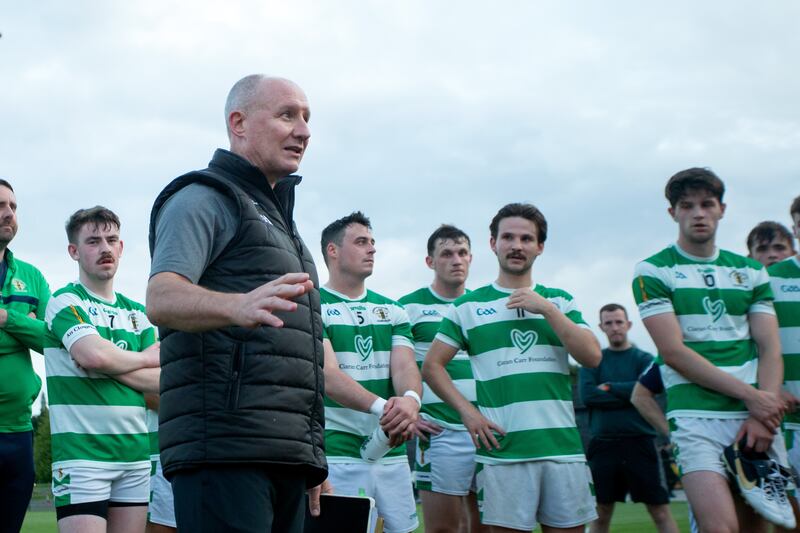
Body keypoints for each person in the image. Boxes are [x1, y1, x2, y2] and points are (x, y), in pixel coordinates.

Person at [146, 75, 327, 533]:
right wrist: (236, 306)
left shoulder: (282, 223)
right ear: (239, 123)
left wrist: (307, 453)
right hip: (224, 451)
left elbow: (301, 357)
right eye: (288, 115)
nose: (303, 130)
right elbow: (161, 296)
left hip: (283, 455)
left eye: (307, 118)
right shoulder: (203, 198)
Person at [423, 202, 602, 533]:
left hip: (562, 450)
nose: (517, 246)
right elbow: (432, 367)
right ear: (493, 244)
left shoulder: (559, 300)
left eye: (526, 238)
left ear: (540, 247)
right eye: (508, 237)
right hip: (503, 454)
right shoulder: (468, 307)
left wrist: (546, 309)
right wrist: (468, 413)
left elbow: (592, 356)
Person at [633, 167, 792, 531]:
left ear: (722, 209)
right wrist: (757, 399)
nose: (698, 213)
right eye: (687, 206)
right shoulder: (654, 270)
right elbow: (673, 352)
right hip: (694, 416)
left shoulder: (751, 271)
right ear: (673, 213)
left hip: (751, 417)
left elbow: (769, 348)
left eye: (707, 204)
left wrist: (761, 413)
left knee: (759, 527)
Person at [44, 206, 160, 533]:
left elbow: (161, 382)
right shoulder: (65, 301)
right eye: (93, 241)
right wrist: (146, 358)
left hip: (135, 456)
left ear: (121, 248)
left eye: (112, 239)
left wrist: (109, 362)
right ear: (74, 251)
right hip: (82, 457)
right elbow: (93, 355)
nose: (105, 248)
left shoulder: (139, 313)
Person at [318, 211, 421, 533]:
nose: (372, 249)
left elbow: (405, 365)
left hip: (391, 450)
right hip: (336, 453)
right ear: (332, 251)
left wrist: (411, 400)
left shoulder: (393, 309)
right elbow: (328, 375)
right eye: (361, 242)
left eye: (373, 242)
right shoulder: (313, 305)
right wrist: (387, 410)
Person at [398, 224, 487, 533]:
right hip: (441, 431)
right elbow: (394, 367)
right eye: (446, 253)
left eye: (462, 253)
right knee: (444, 529)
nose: (456, 260)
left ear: (472, 258)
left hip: (488, 429)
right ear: (430, 261)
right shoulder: (407, 307)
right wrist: (410, 414)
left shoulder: (482, 306)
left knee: (489, 526)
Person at [579, 303, 678, 533]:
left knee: (660, 510)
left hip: (641, 442)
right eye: (609, 323)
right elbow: (588, 395)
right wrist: (633, 394)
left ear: (629, 324)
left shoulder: (645, 360)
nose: (615, 327)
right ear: (601, 327)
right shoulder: (593, 359)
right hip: (604, 445)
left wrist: (610, 387)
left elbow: (652, 390)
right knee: (600, 512)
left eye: (619, 322)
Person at [0, 179, 50, 533]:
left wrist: (6, 318)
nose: (8, 214)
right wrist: (23, 330)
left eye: (13, 207)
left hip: (18, 433)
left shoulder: (31, 277)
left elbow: (53, 340)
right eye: (0, 206)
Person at [767, 195, 800, 529]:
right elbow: (757, 344)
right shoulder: (772, 279)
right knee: (789, 519)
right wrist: (773, 389)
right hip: (791, 423)